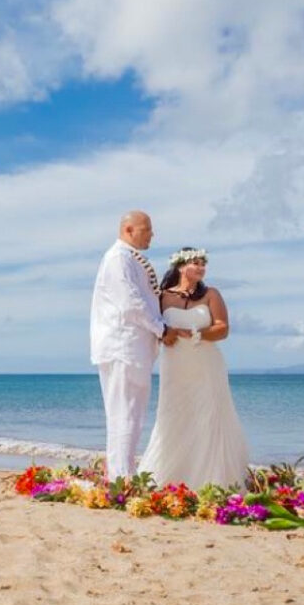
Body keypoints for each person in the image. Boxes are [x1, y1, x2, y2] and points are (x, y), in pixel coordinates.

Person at [139, 248, 250, 490]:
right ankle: (170, 478)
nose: (201, 268)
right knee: (173, 414)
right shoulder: (161, 296)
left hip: (207, 364)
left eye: (203, 264)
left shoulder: (211, 294)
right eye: (196, 263)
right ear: (180, 267)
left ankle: (212, 481)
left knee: (209, 415)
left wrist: (197, 332)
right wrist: (162, 336)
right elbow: (151, 326)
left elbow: (223, 328)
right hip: (174, 366)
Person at [90, 210, 188, 480]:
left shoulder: (127, 258)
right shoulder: (119, 259)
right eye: (147, 230)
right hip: (124, 347)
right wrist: (162, 329)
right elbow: (131, 303)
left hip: (131, 348)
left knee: (129, 415)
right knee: (126, 414)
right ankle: (122, 480)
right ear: (129, 230)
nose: (152, 235)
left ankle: (121, 475)